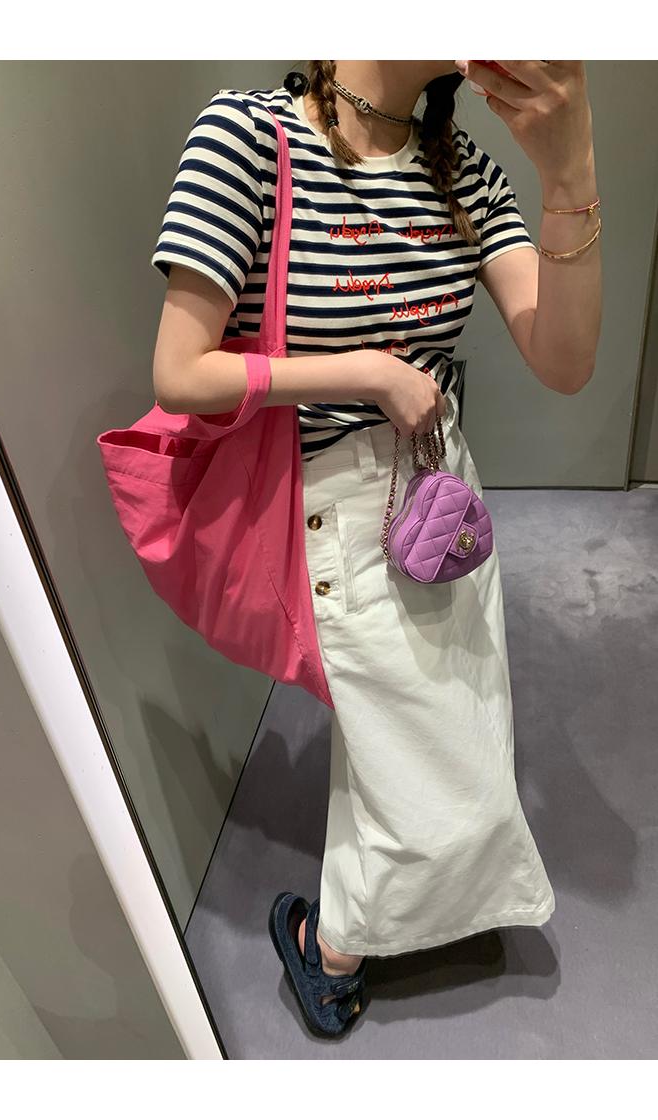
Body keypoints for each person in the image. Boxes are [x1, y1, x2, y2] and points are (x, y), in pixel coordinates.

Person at [150, 60, 602, 1036]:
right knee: (434, 763)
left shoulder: (460, 166)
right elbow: (181, 373)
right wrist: (367, 371)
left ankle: (335, 937)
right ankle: (337, 946)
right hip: (333, 497)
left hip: (439, 486)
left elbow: (566, 364)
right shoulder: (250, 138)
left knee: (435, 723)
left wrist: (570, 172)